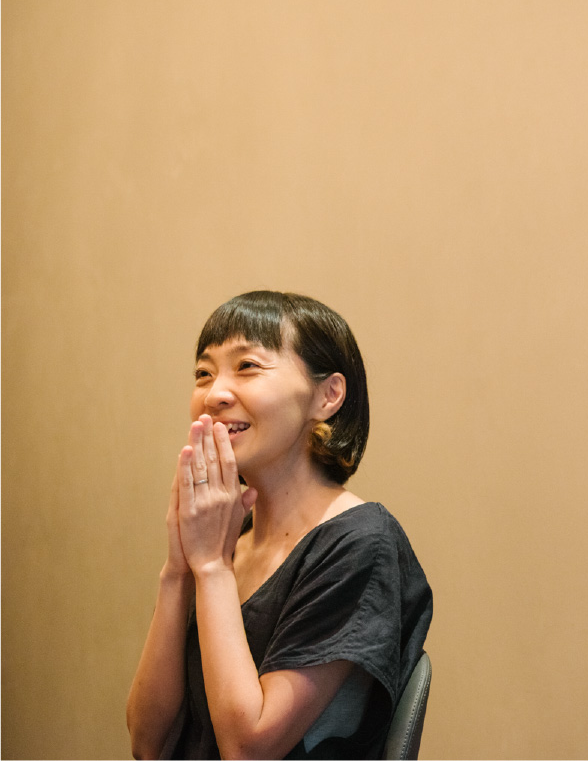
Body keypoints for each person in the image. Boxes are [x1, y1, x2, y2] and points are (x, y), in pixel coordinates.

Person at [127, 291, 433, 759]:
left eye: (247, 366)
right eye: (203, 373)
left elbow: (248, 749)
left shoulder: (360, 543)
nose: (214, 395)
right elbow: (149, 743)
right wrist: (178, 569)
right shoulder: (228, 538)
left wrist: (211, 568)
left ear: (328, 396)